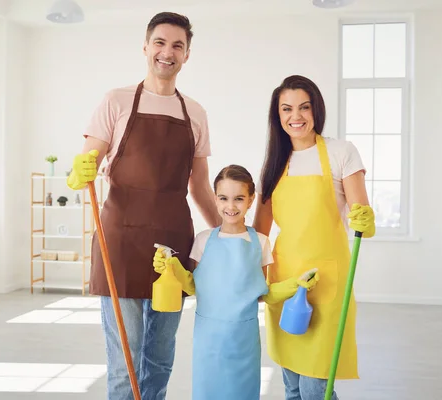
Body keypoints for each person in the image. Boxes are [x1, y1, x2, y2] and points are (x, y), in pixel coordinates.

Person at [66, 12, 221, 400]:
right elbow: (87, 164)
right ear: (146, 46)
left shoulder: (195, 113)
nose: (167, 53)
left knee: (159, 357)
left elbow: (199, 185)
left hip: (172, 247)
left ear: (187, 55)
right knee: (125, 362)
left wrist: (227, 233)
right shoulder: (115, 101)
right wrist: (77, 172)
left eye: (177, 46)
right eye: (160, 43)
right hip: (120, 243)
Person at [253, 75, 376, 400]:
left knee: (315, 387)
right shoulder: (275, 162)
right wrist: (250, 274)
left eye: (304, 107)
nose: (296, 116)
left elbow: (359, 211)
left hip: (327, 283)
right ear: (277, 116)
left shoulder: (341, 151)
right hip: (285, 279)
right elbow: (260, 232)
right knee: (292, 385)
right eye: (287, 109)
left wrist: (366, 219)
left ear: (316, 110)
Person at [152, 165, 319, 400]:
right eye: (224, 198)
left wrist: (295, 285)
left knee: (242, 392)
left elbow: (263, 293)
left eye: (239, 198)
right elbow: (192, 286)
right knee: (208, 391)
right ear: (215, 199)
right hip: (208, 338)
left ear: (251, 200)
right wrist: (172, 267)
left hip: (244, 337)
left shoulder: (260, 243)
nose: (231, 206)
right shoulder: (203, 240)